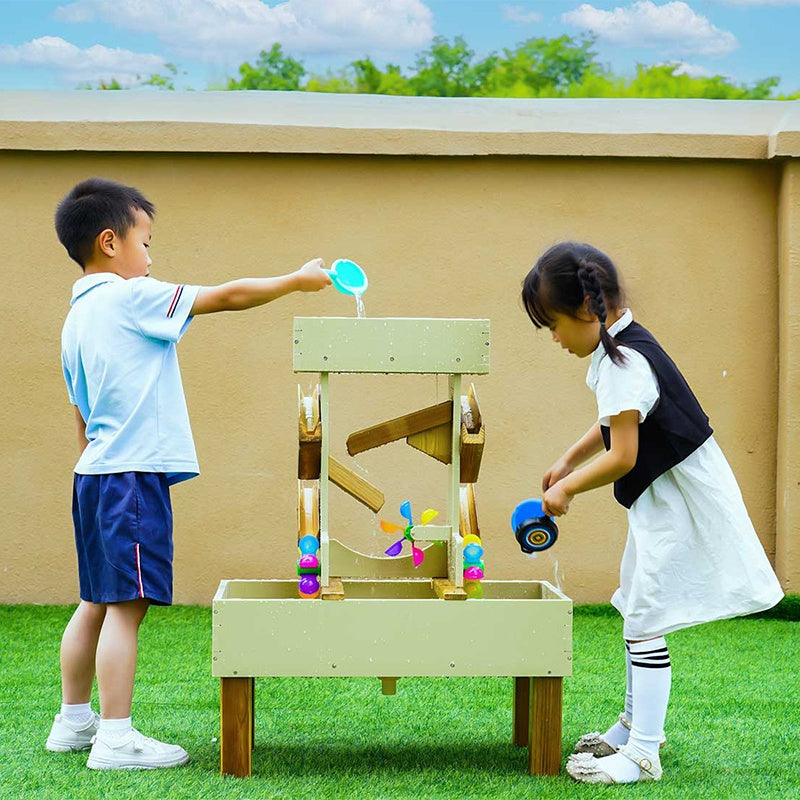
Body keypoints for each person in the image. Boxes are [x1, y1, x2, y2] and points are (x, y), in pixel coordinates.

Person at [46, 177, 331, 769]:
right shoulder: (132, 296)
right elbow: (224, 296)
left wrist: (94, 465)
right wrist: (296, 281)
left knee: (95, 600)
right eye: (145, 242)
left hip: (95, 474)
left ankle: (74, 721)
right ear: (109, 242)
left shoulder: (75, 320)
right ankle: (116, 739)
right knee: (128, 605)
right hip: (131, 478)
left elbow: (80, 414)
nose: (150, 257)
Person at [521, 241, 783, 784]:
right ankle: (635, 725)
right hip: (664, 496)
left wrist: (567, 489)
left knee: (644, 616)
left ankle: (643, 752)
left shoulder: (623, 361)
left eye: (554, 324)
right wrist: (568, 458)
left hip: (677, 502)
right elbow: (620, 423)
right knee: (637, 606)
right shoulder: (622, 345)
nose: (553, 337)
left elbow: (624, 454)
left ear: (588, 312)